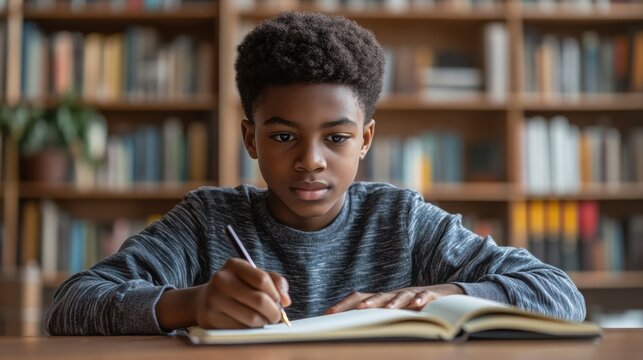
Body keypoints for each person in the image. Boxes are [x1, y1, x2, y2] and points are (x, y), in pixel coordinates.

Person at [44, 11, 585, 335]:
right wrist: (192, 302)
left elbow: (560, 294)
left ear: (365, 139)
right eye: (283, 137)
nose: (310, 160)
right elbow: (70, 305)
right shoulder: (208, 220)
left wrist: (438, 295)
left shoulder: (403, 220)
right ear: (250, 137)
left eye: (336, 137)